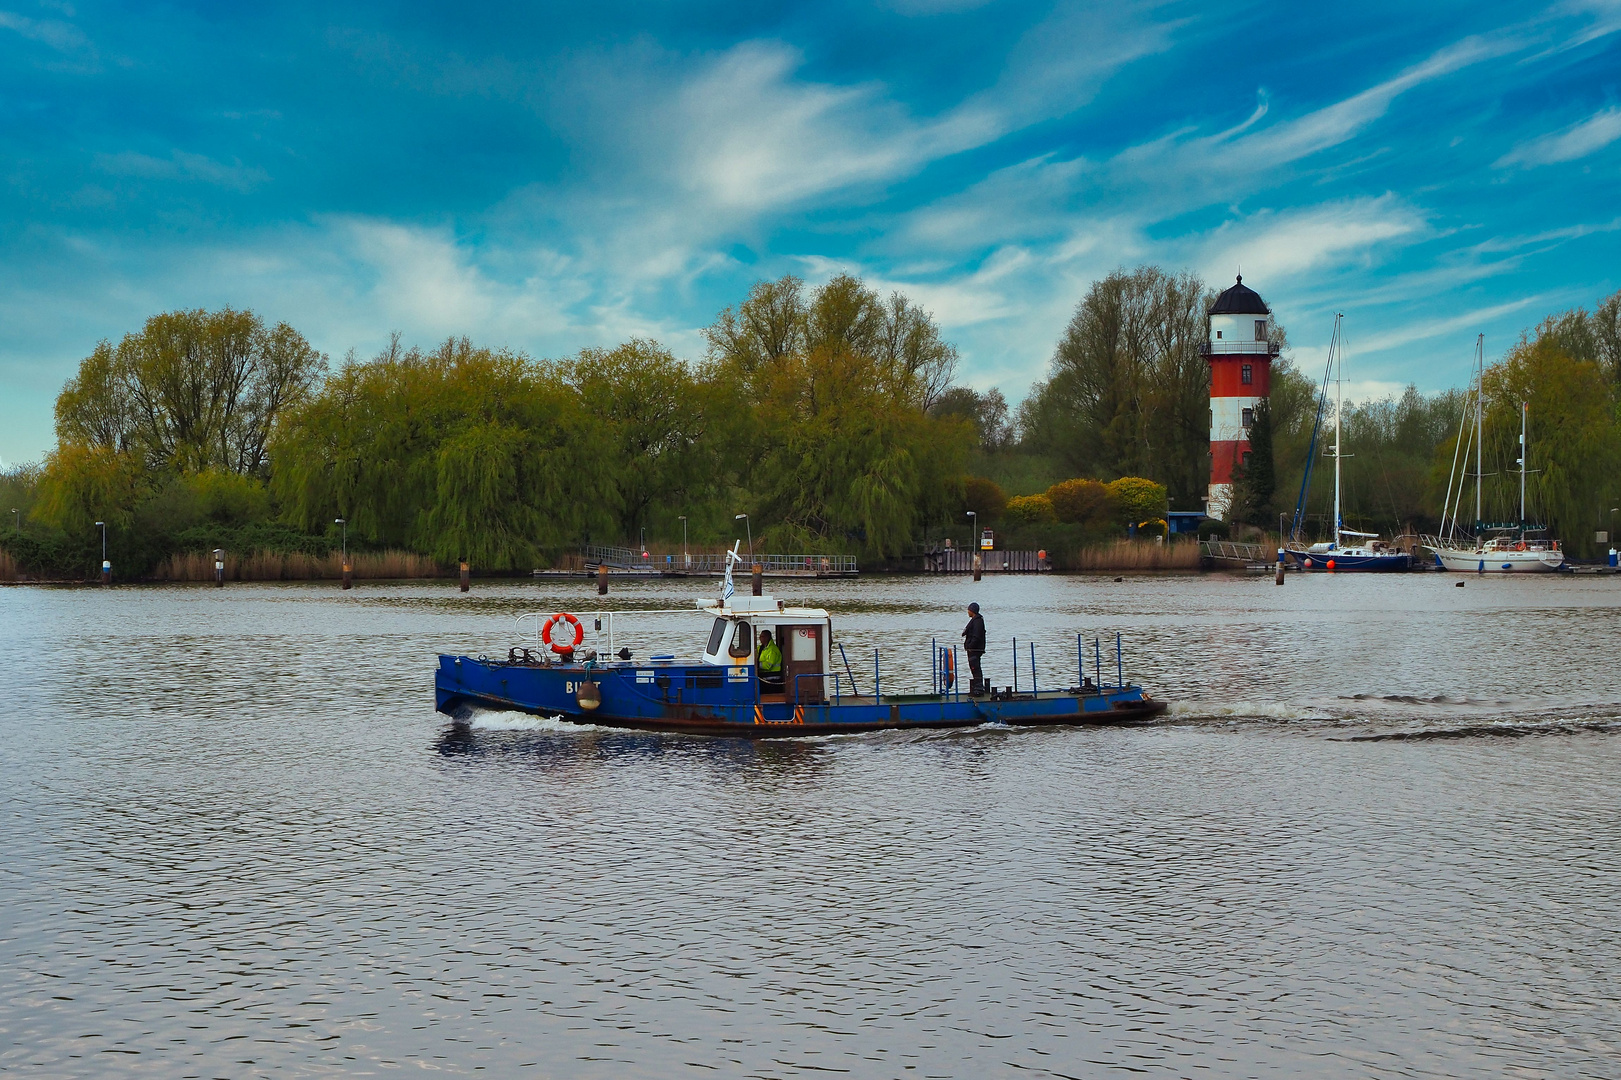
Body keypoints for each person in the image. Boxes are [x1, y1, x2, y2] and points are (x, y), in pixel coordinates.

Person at [962, 602, 986, 695]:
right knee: (974, 668)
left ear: (972, 611)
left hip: (975, 650)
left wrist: (970, 646)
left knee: (975, 668)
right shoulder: (975, 620)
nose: (968, 611)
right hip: (973, 649)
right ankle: (977, 687)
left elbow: (977, 636)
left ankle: (979, 688)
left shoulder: (978, 621)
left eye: (969, 610)